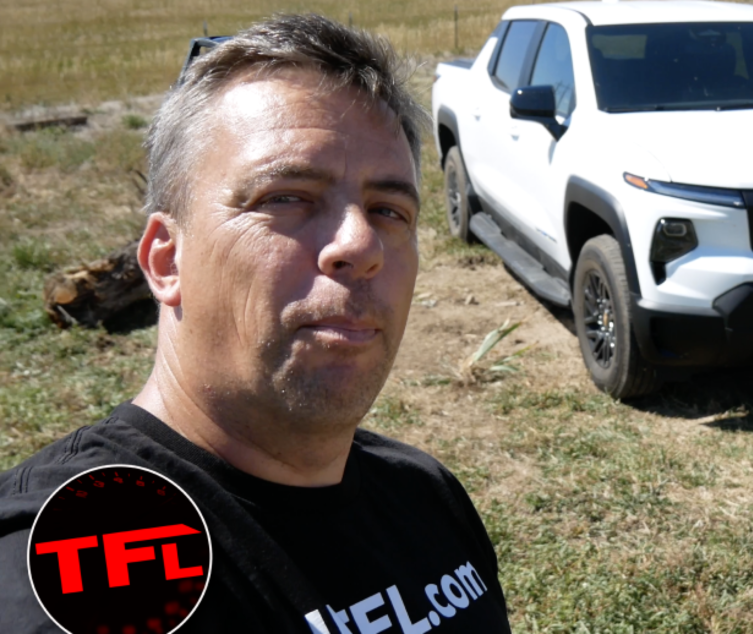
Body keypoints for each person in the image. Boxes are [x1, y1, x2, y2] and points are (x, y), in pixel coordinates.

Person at [0, 14, 512, 633]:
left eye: (388, 209)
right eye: (285, 196)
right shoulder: (87, 557)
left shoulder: (425, 494)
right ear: (167, 260)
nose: (360, 242)